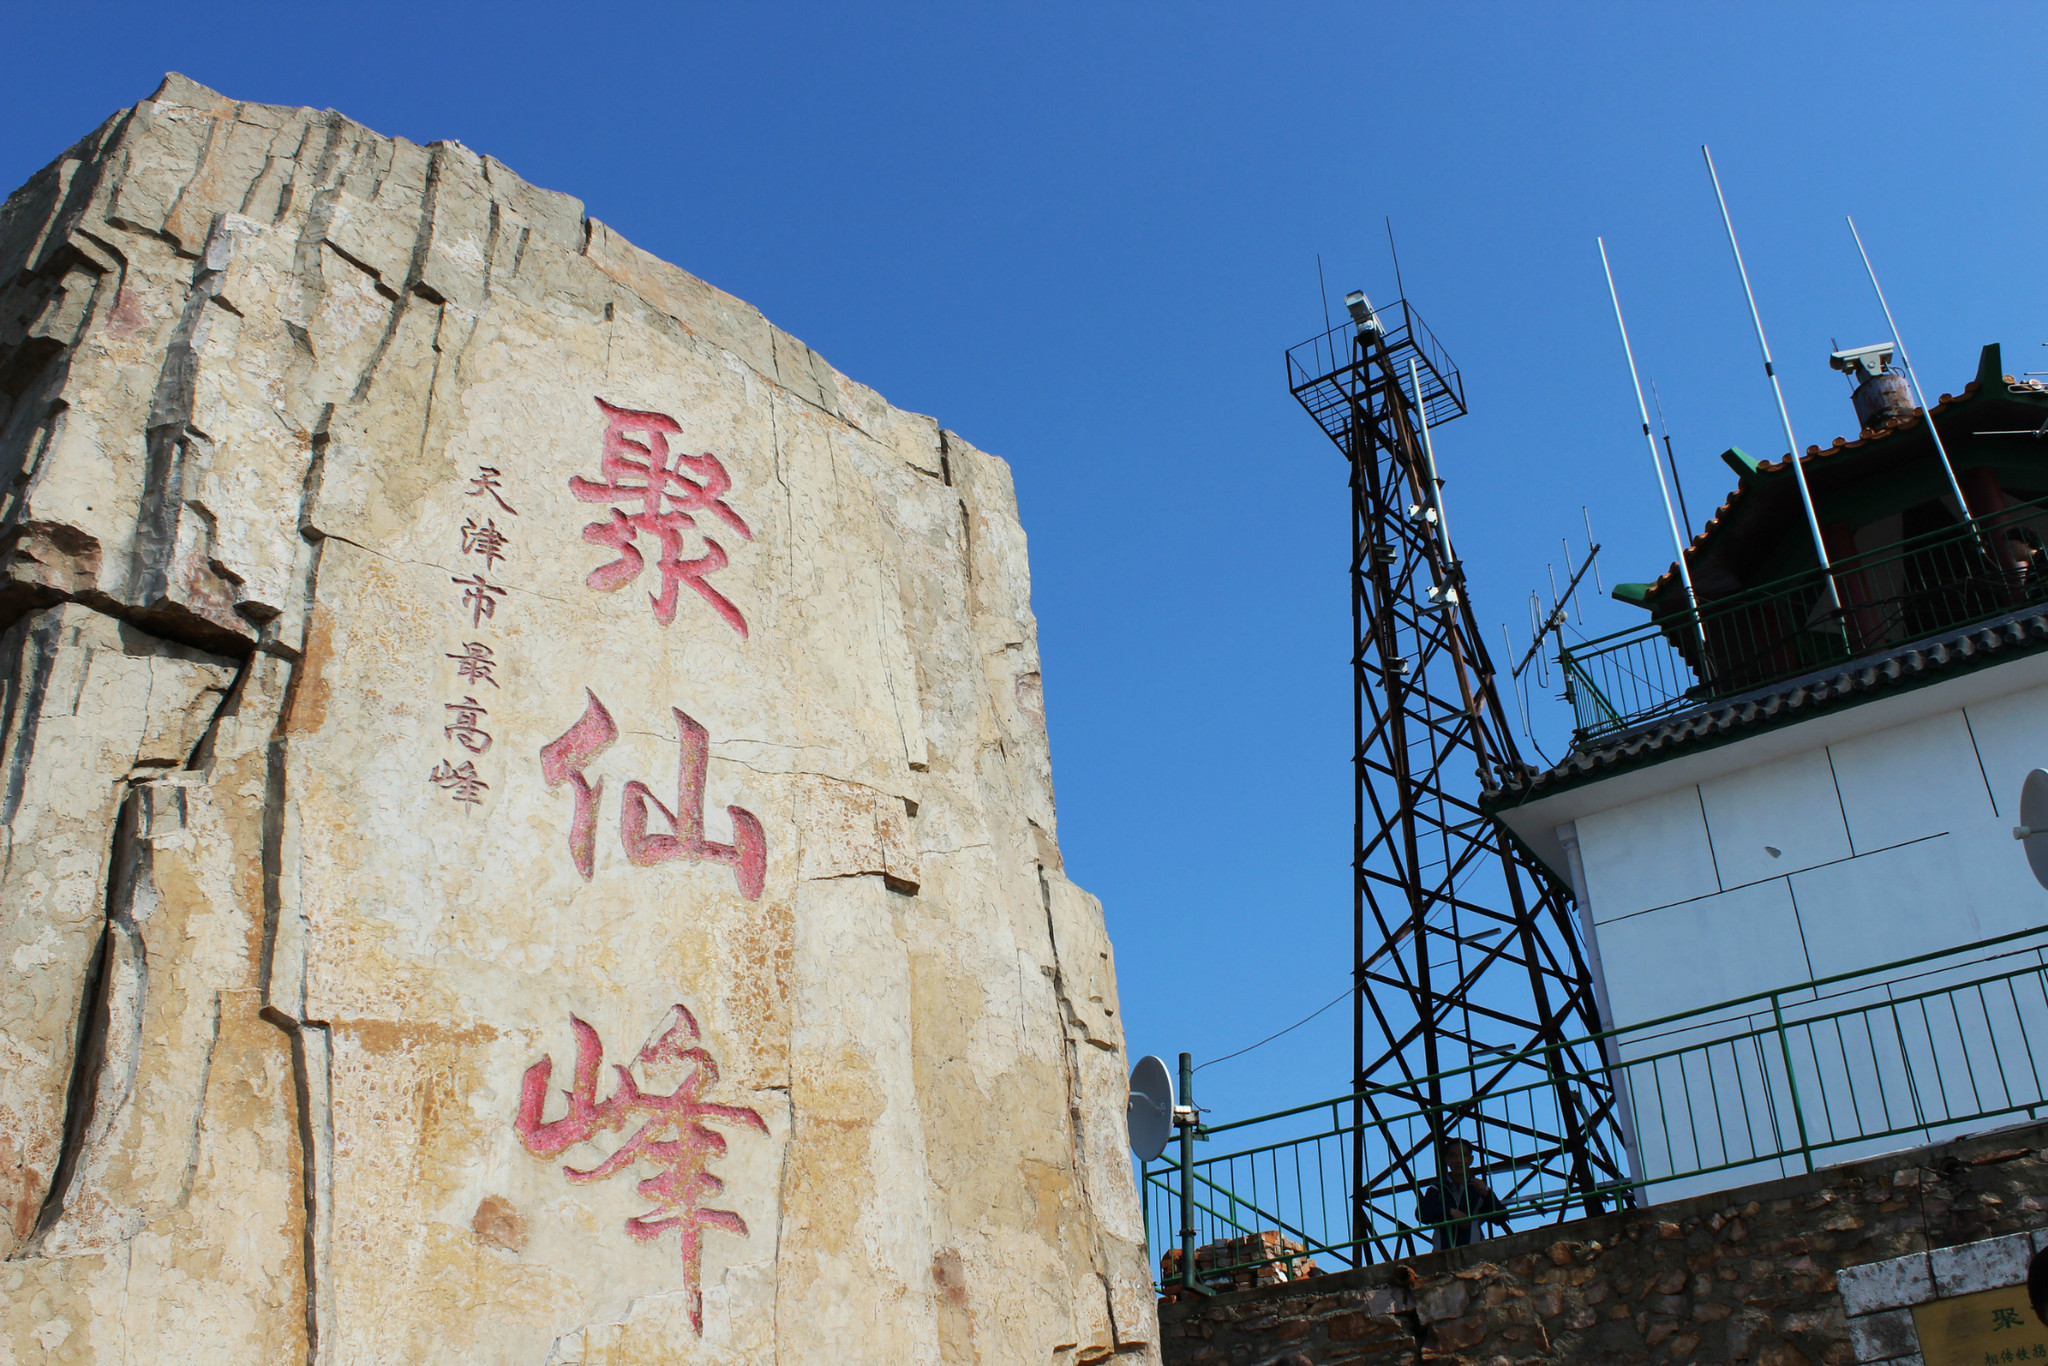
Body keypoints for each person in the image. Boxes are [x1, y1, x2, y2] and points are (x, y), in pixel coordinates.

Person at [1415, 1137, 1505, 1251]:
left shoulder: (1478, 1188)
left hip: (1474, 1253)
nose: (1459, 1160)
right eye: (1453, 1156)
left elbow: (1501, 1217)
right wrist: (1451, 1212)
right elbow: (1421, 1213)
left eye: (1464, 1155)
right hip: (1444, 1254)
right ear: (1446, 1160)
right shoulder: (1437, 1188)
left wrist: (1487, 1195)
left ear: (1471, 1160)